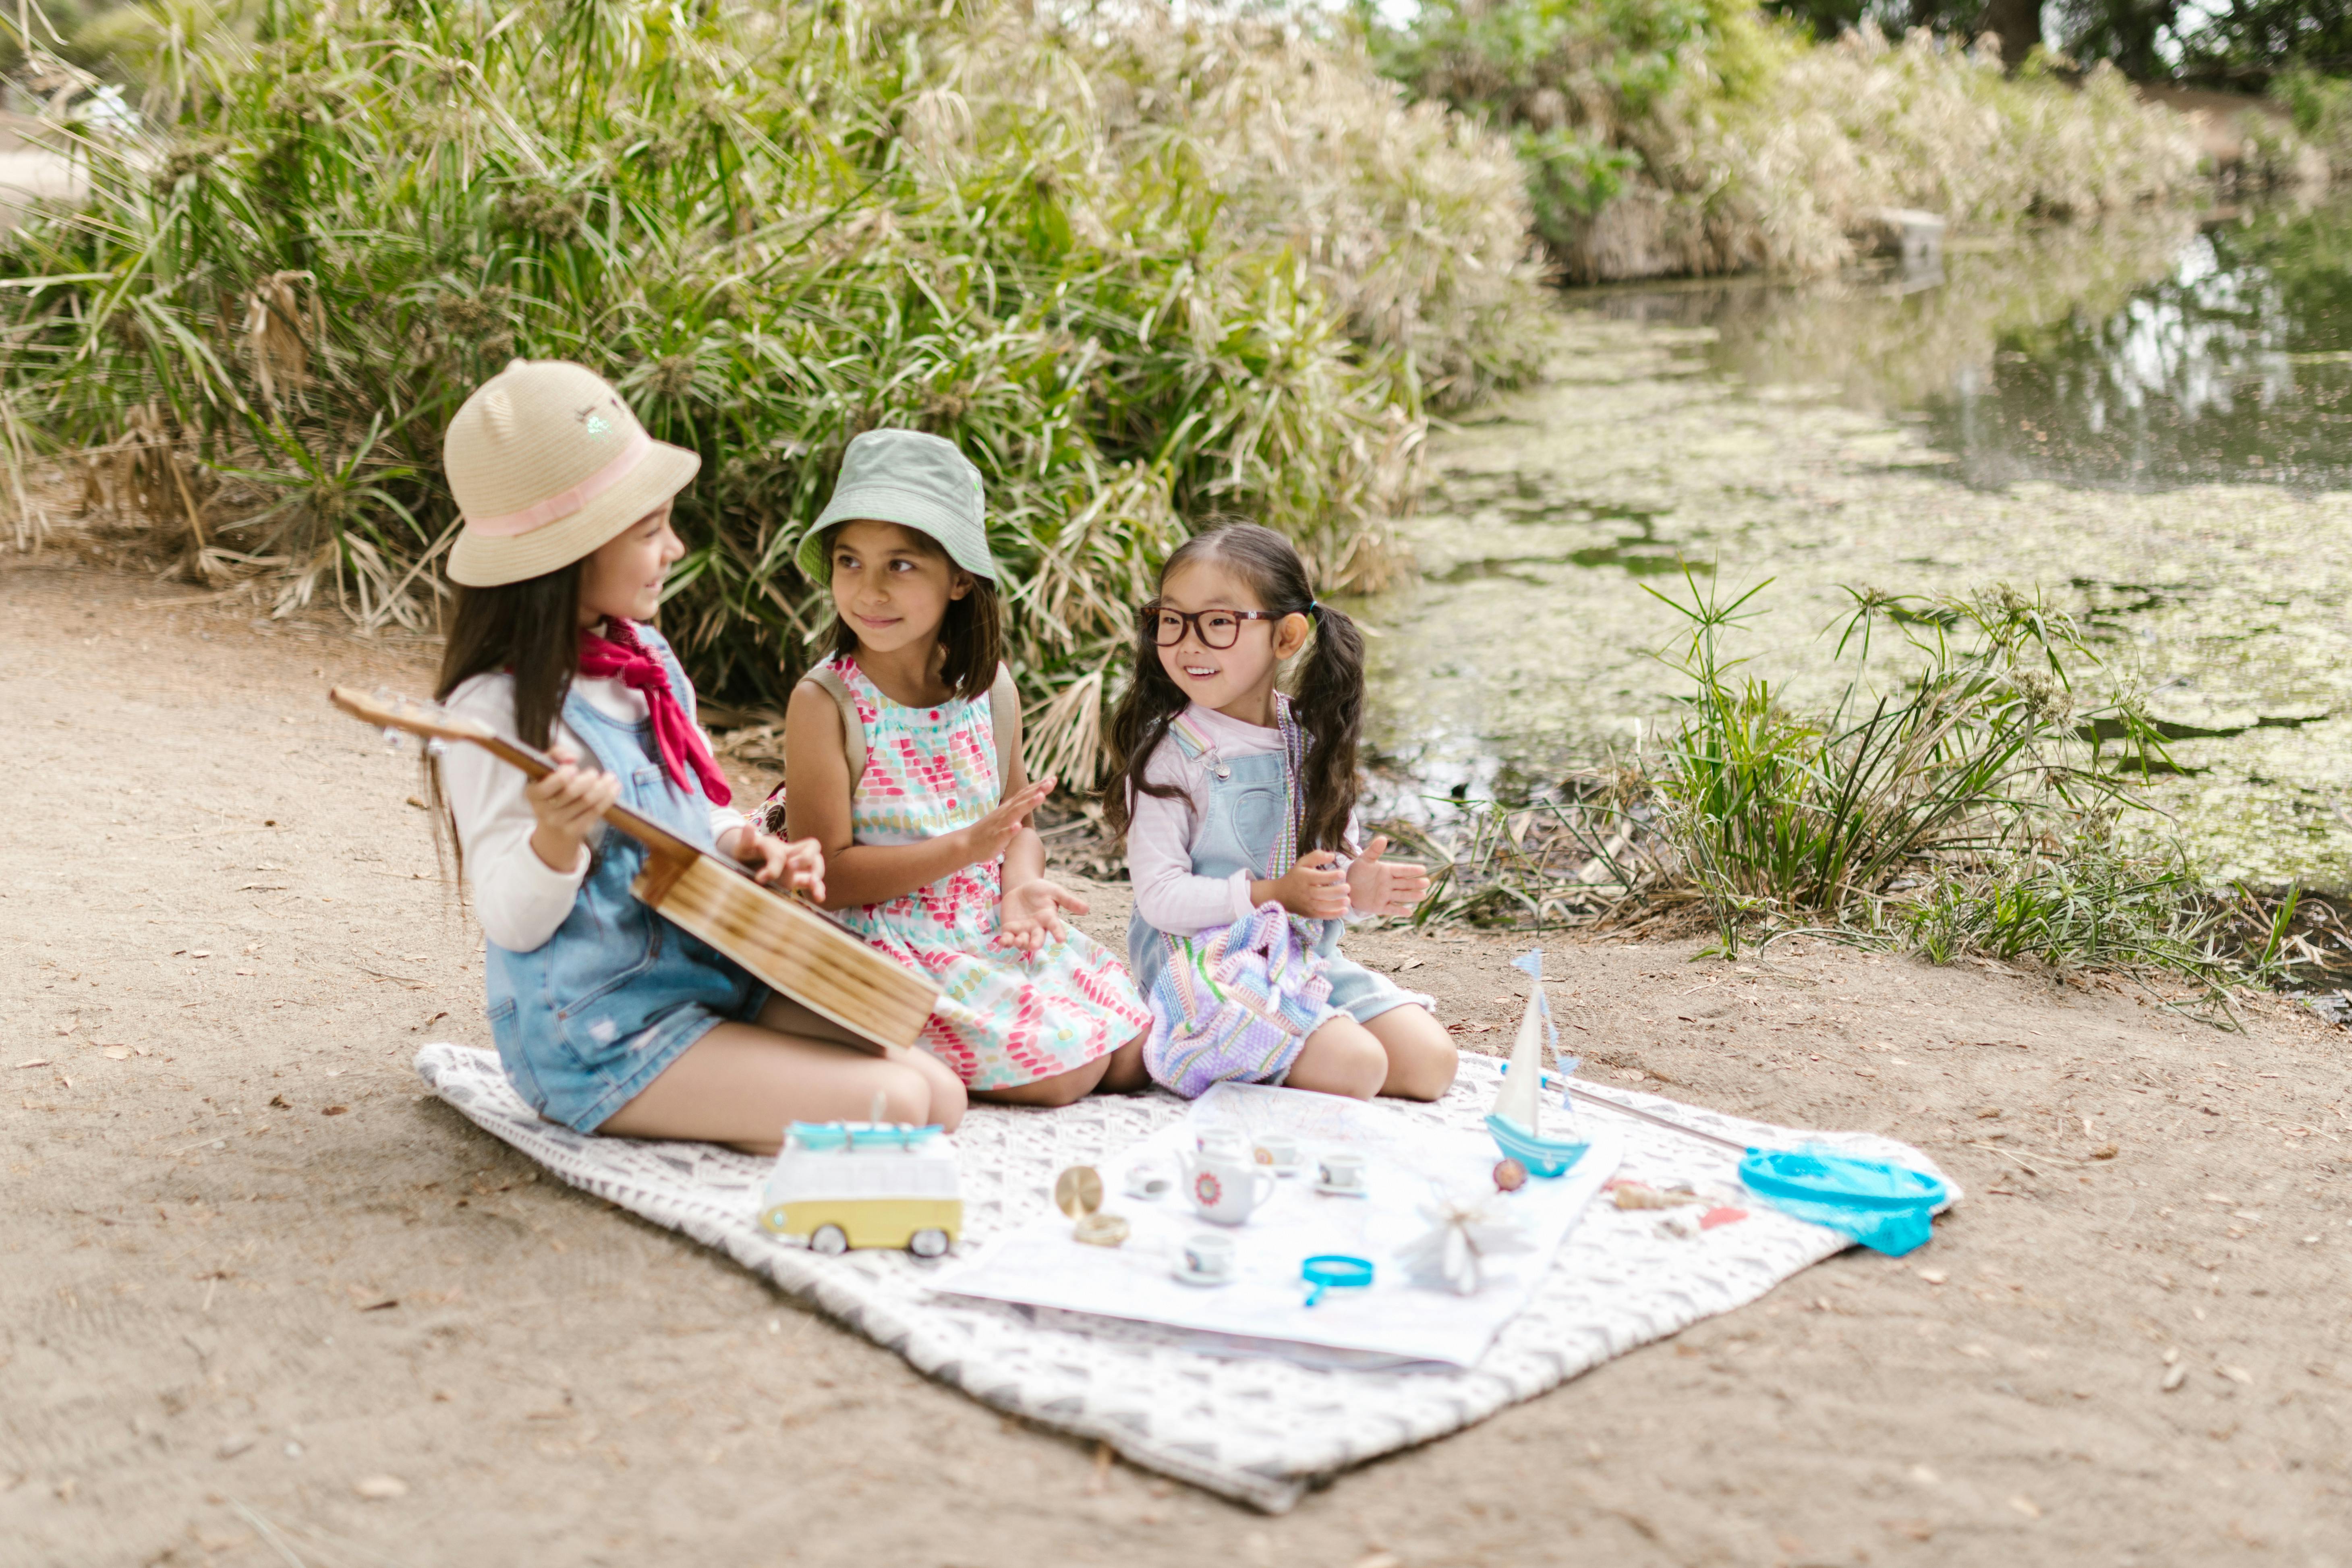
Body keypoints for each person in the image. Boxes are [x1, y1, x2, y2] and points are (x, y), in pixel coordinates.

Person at [427, 360, 964, 1149]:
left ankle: (744, 1102)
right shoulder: (496, 712)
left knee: (940, 1094)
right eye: (650, 531)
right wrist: (554, 841)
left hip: (702, 971)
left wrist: (743, 844)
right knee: (899, 1105)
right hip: (597, 1031)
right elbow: (510, 918)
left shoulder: (641, 658)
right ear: (569, 553)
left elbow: (692, 806)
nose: (674, 548)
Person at [781, 429, 1152, 1106]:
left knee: (1134, 1053)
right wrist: (963, 848)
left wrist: (1017, 886)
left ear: (958, 577)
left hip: (985, 923)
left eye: (901, 565)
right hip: (887, 937)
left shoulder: (989, 691)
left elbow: (1021, 829)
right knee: (1065, 1073)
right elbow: (826, 879)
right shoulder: (826, 703)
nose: (868, 590)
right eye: (849, 561)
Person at [1106, 522, 1459, 1101]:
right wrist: (1272, 895)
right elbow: (1160, 898)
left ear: (1287, 636)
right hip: (1200, 964)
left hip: (1294, 957)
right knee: (1359, 1066)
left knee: (1431, 1064)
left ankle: (1286, 1048)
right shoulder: (1171, 752)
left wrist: (1356, 888)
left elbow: (1318, 881)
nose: (1188, 644)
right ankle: (1191, 1042)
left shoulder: (1310, 741)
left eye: (1218, 622)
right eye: (1172, 620)